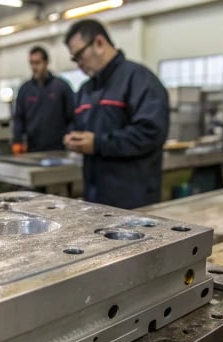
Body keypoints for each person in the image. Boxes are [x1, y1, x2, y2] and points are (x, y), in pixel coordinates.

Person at [63, 19, 169, 209]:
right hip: (95, 201)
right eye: (74, 59)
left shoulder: (139, 79)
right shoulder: (85, 90)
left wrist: (98, 143)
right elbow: (78, 125)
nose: (79, 64)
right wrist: (75, 138)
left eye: (80, 55)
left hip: (134, 201)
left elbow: (150, 132)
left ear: (99, 43)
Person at [12, 46, 74, 154]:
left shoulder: (61, 87)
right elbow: (19, 118)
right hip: (33, 149)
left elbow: (73, 116)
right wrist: (17, 140)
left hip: (59, 149)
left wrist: (70, 136)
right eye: (31, 63)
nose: (34, 67)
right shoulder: (25, 90)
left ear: (46, 62)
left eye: (37, 63)